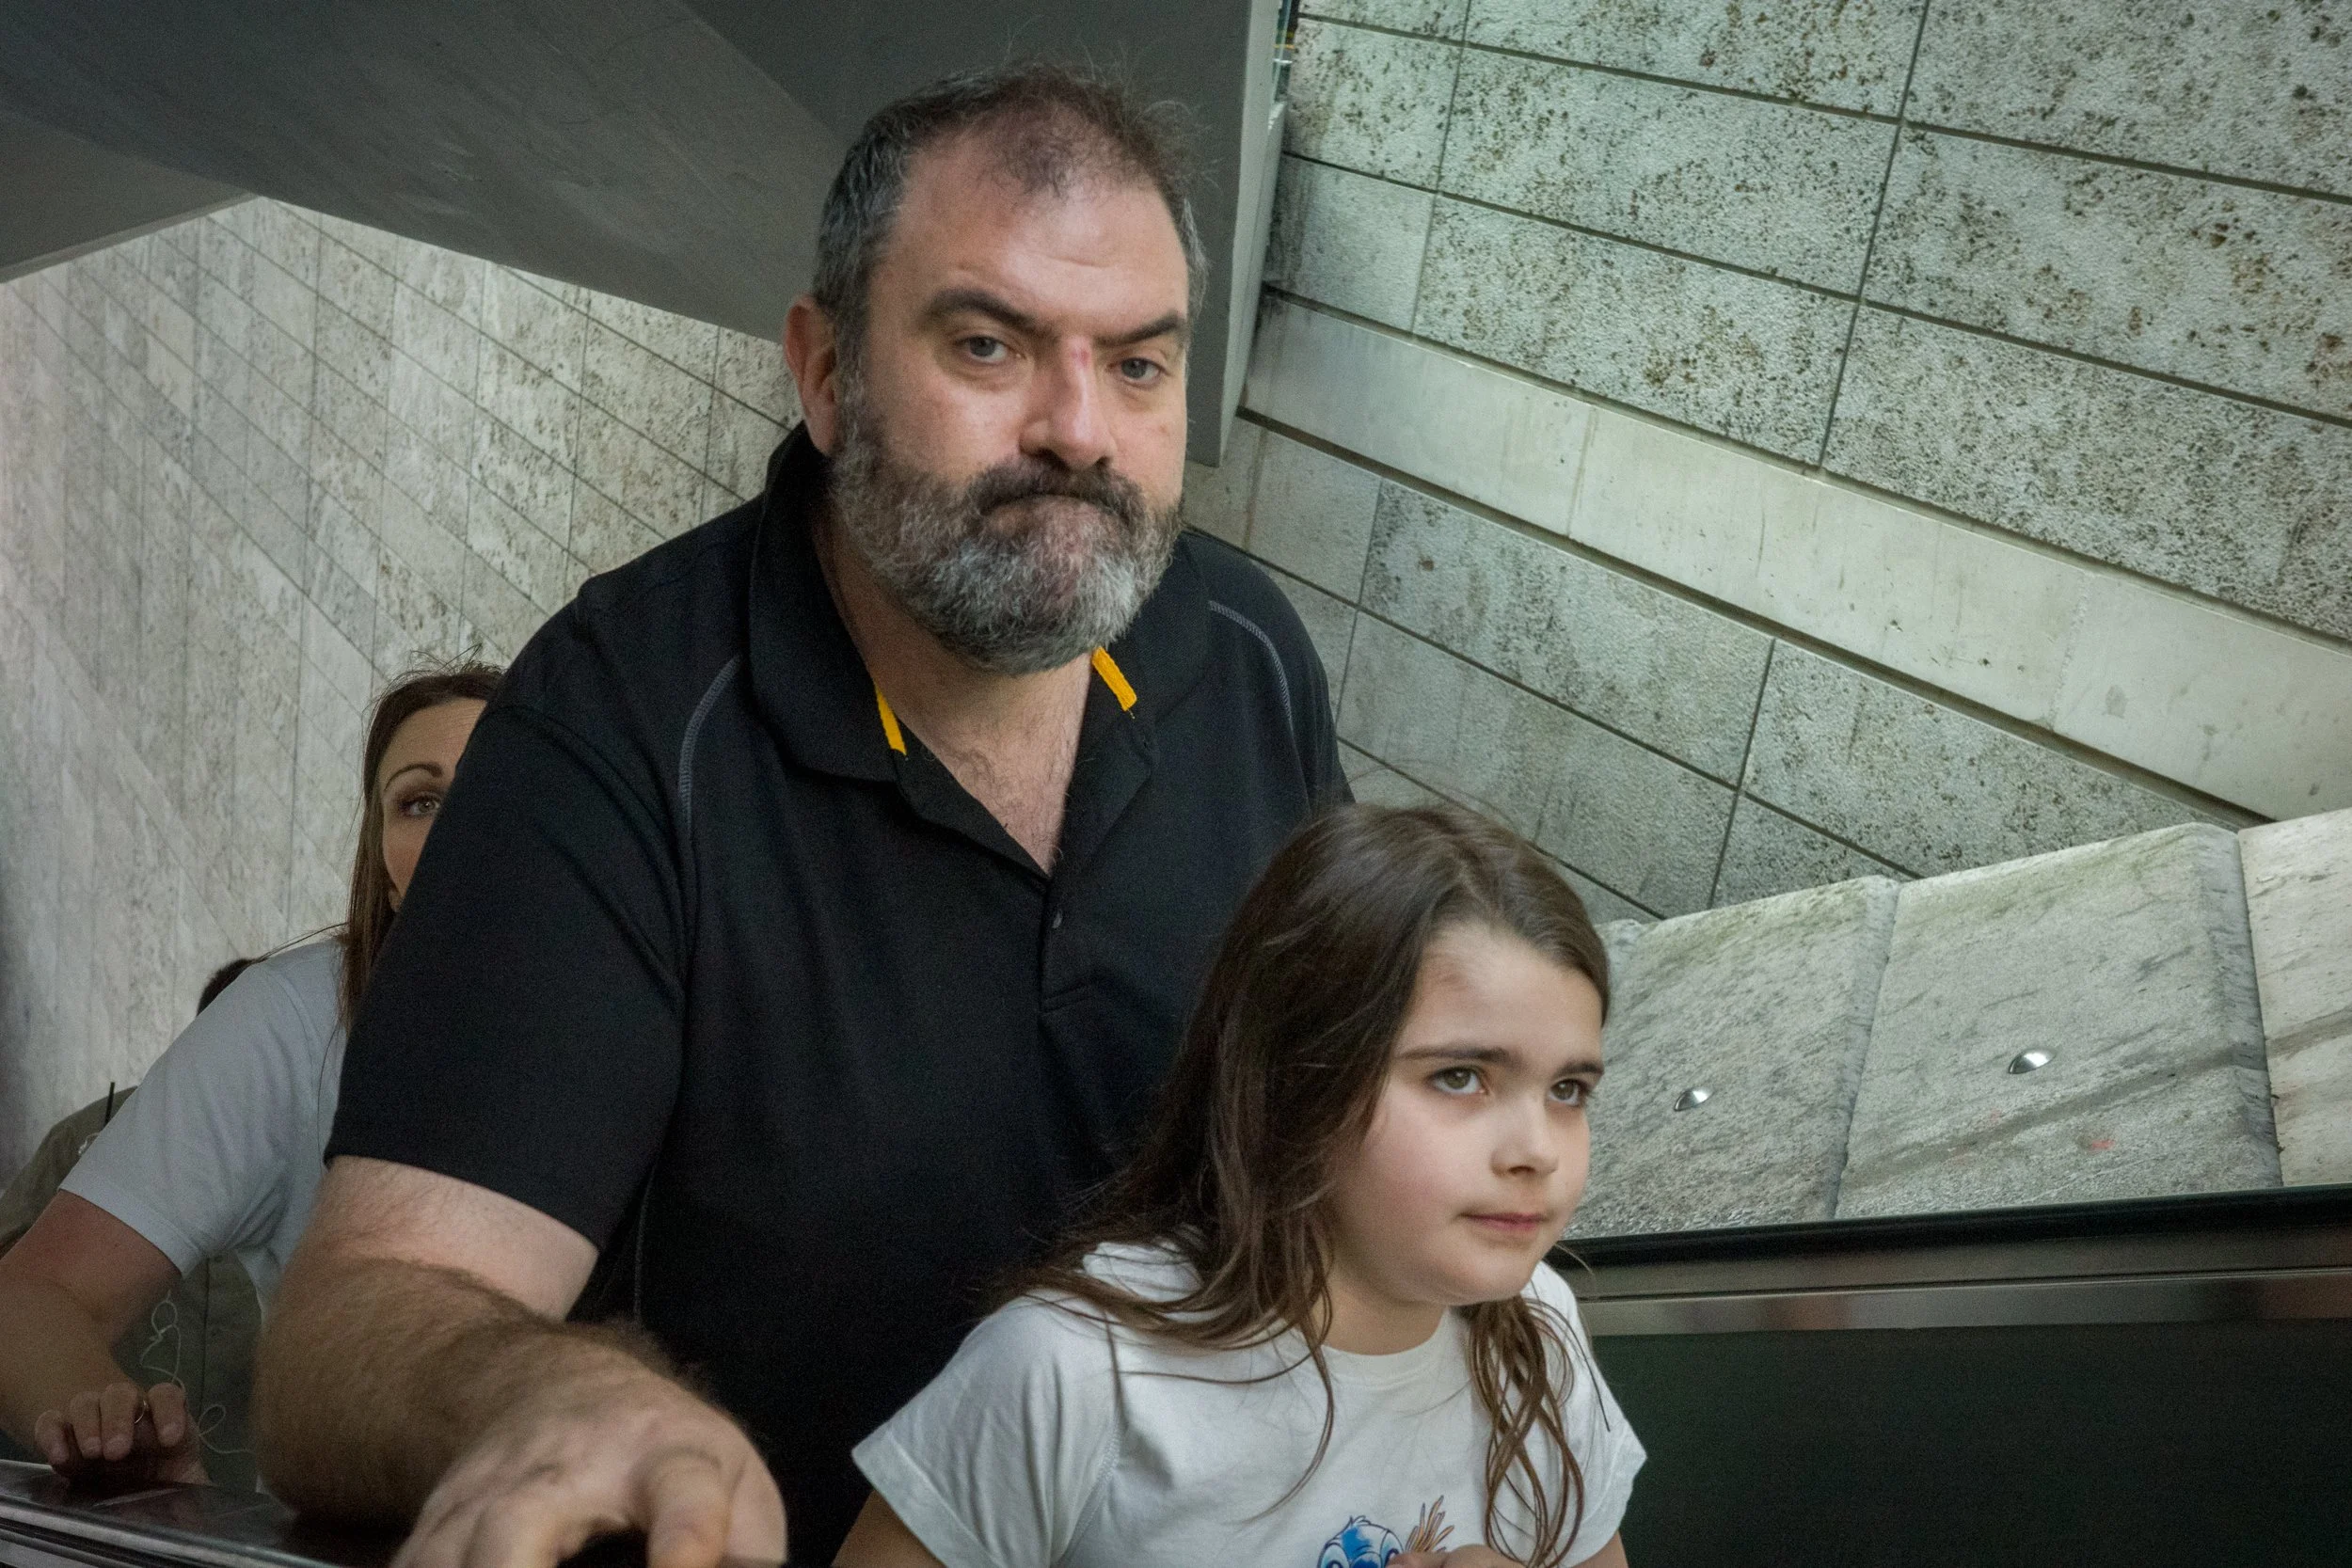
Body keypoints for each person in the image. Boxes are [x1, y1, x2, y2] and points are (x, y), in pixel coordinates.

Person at [256, 60, 1343, 1568]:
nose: (1081, 429)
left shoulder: (1249, 657)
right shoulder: (618, 727)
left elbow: (1337, 1118)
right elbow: (345, 1329)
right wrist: (556, 1394)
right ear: (827, 374)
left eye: (1141, 364)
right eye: (989, 343)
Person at [833, 803, 1640, 1568]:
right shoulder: (1071, 1373)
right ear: (1294, 1080)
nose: (1537, 1148)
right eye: (1460, 1076)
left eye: (1569, 1089)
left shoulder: (1540, 1332)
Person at [0, 660, 502, 1484]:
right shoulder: (295, 1022)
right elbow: (30, 1295)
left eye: (496, 784)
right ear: (381, 857)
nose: (457, 826)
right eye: (419, 800)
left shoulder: (672, 996)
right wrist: (110, 1427)